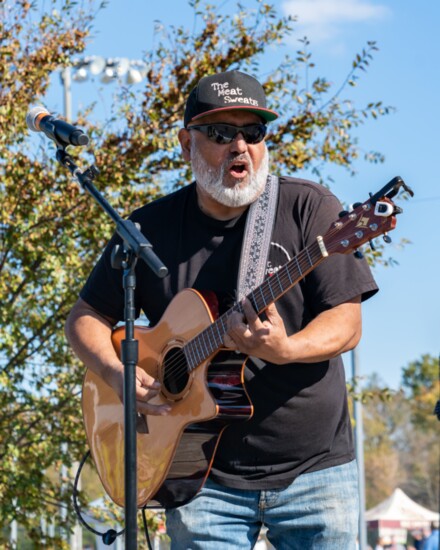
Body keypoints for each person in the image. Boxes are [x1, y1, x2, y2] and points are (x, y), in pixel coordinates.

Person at [65, 70, 379, 549]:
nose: (240, 147)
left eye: (252, 133)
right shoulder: (147, 228)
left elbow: (346, 322)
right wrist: (116, 373)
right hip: (200, 479)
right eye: (220, 133)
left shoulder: (309, 209)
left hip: (313, 471)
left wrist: (287, 349)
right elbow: (84, 318)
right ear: (186, 144)